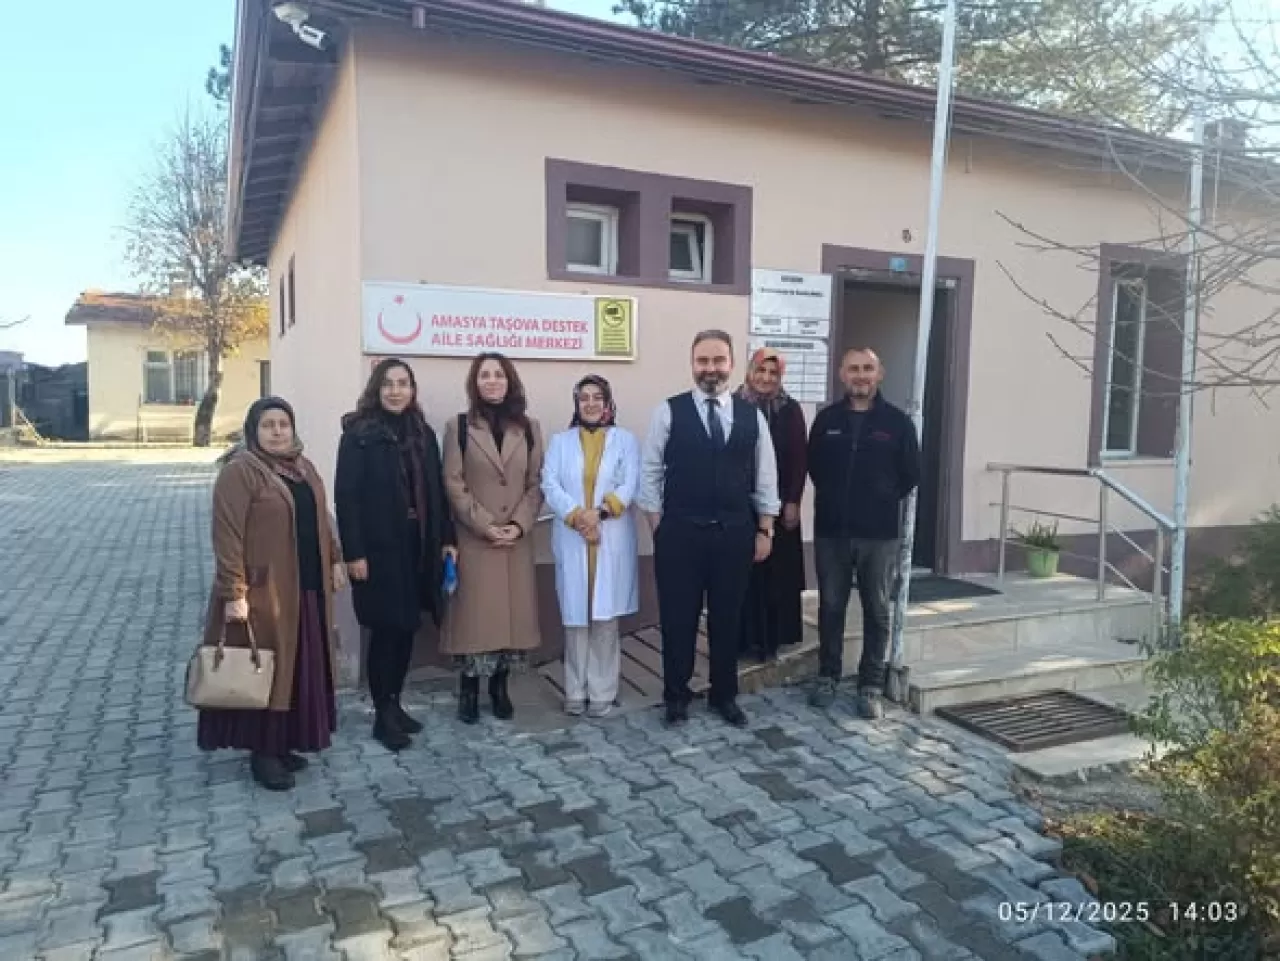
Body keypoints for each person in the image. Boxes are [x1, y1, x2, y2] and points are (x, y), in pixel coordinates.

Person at [197, 397, 343, 791]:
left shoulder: (303, 467)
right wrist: (234, 591)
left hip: (306, 588)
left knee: (297, 669)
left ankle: (284, 744)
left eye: (283, 424)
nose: (278, 431)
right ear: (253, 431)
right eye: (268, 425)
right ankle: (262, 753)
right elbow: (227, 535)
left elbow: (321, 518)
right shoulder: (241, 472)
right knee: (266, 670)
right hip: (264, 592)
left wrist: (334, 559)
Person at [638, 330, 781, 729]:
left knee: (727, 618)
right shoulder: (669, 411)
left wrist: (765, 529)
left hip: (734, 534)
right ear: (692, 364)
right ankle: (676, 696)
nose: (711, 369)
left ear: (731, 365)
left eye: (718, 361)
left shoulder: (751, 415)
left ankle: (724, 695)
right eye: (703, 361)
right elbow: (649, 472)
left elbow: (766, 476)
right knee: (678, 619)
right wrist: (657, 525)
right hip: (680, 534)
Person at [335, 358, 457, 751]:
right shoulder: (358, 435)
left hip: (417, 544)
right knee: (385, 630)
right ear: (376, 388)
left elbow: (437, 494)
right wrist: (354, 553)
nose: (395, 390)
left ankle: (396, 702)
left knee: (407, 627)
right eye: (387, 383)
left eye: (403, 383)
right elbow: (347, 497)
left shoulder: (423, 433)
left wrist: (446, 539)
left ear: (412, 389)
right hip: (378, 548)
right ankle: (382, 713)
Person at [807, 347, 920, 718]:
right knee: (831, 607)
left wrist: (880, 498)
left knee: (877, 610)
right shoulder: (826, 421)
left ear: (880, 373)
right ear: (842, 374)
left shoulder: (898, 423)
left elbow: (911, 474)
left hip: (879, 535)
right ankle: (828, 675)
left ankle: (870, 684)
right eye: (854, 368)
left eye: (867, 369)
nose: (861, 375)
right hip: (831, 532)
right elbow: (815, 468)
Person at [442, 353, 545, 724]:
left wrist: (518, 525)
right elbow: (453, 483)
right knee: (475, 620)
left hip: (515, 540)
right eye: (484, 375)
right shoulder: (458, 427)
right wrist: (485, 525)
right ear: (475, 383)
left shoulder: (529, 428)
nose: (492, 381)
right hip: (476, 539)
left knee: (510, 621)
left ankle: (500, 688)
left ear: (509, 380)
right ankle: (469, 689)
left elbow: (536, 484)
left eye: (498, 374)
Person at [541, 375, 641, 718]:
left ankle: (602, 690)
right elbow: (549, 483)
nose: (591, 403)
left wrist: (598, 514)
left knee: (604, 620)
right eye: (584, 398)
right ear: (576, 404)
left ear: (608, 403)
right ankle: (574, 689)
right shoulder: (560, 441)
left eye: (597, 397)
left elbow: (630, 483)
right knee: (575, 618)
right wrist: (577, 517)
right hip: (573, 536)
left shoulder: (625, 440)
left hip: (609, 535)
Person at [734, 348, 808, 662]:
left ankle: (773, 639)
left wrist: (792, 501)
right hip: (741, 504)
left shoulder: (789, 410)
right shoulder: (734, 406)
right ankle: (743, 640)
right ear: (749, 372)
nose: (766, 378)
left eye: (773, 373)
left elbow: (799, 458)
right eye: (760, 371)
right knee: (744, 575)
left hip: (780, 506)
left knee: (778, 576)